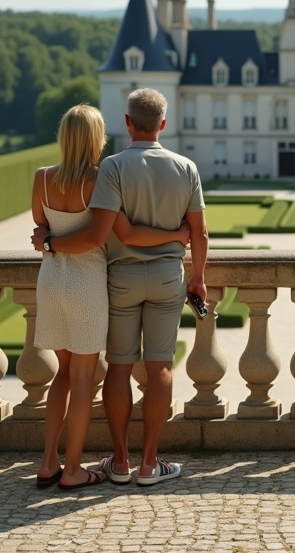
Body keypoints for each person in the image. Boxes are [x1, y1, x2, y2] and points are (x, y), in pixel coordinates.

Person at [31, 88, 208, 488]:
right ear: (163, 123)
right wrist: (193, 267)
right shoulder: (182, 167)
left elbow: (101, 233)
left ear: (128, 123)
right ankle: (145, 464)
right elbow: (198, 233)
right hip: (144, 279)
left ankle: (115, 462)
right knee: (157, 366)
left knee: (108, 369)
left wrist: (47, 242)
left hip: (93, 279)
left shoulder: (97, 170)